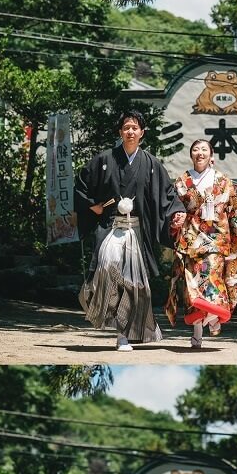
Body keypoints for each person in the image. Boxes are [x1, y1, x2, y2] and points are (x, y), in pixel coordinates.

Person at [75, 111, 186, 350]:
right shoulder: (104, 159)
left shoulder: (151, 164)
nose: (130, 132)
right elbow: (82, 183)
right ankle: (103, 311)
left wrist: (176, 212)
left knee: (133, 282)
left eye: (135, 128)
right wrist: (92, 206)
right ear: (120, 132)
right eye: (126, 127)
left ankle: (123, 334)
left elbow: (167, 194)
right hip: (111, 227)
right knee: (107, 270)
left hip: (137, 230)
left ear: (142, 133)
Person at [165, 139, 237, 349]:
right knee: (192, 285)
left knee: (212, 276)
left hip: (216, 238)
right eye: (196, 150)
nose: (200, 153)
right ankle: (198, 331)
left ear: (211, 156)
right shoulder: (182, 182)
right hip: (190, 237)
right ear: (191, 155)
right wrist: (176, 218)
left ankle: (214, 315)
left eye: (204, 150)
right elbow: (173, 206)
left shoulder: (223, 181)